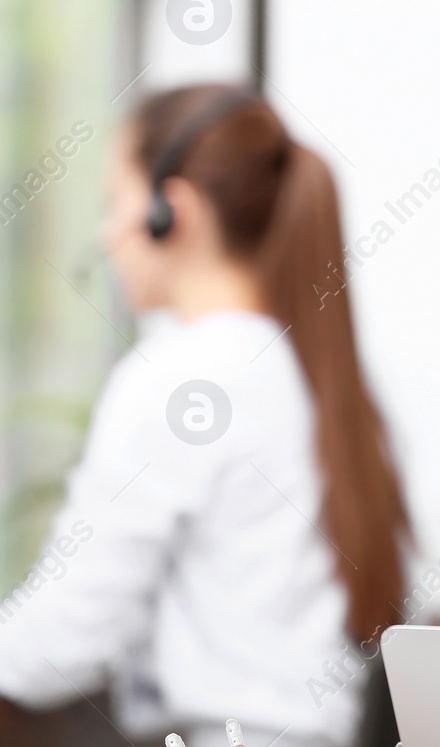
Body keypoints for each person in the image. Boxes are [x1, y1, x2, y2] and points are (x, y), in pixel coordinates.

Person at [0, 84, 411, 747]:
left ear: (171, 212)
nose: (107, 234)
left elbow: (70, 630)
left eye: (116, 204)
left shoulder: (181, 376)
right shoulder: (318, 373)